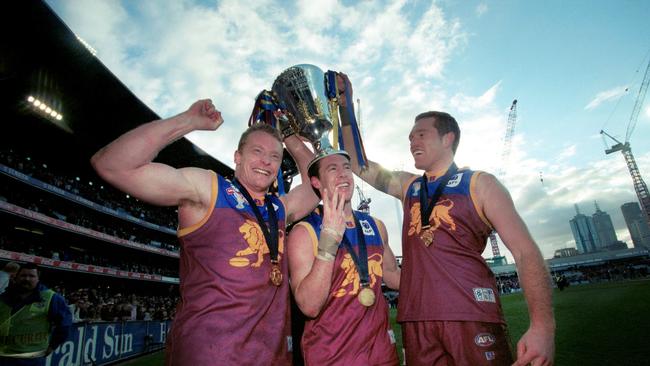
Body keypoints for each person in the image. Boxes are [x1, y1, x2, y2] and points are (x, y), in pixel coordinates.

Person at [338, 77, 555, 366]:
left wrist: (543, 326)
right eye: (410, 137)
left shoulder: (480, 184)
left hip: (470, 312)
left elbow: (526, 251)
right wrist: (344, 107)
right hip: (417, 319)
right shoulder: (409, 187)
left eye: (421, 135)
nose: (412, 141)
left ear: (447, 138)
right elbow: (356, 162)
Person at [91, 99, 317, 365]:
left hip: (272, 357)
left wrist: (289, 135)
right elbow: (112, 165)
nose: (266, 161)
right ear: (237, 157)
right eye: (257, 151)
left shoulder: (277, 209)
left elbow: (316, 185)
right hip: (210, 355)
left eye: (275, 156)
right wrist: (187, 121)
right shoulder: (209, 189)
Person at [287, 150, 401, 365]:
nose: (343, 174)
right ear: (316, 182)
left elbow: (393, 275)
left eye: (347, 167)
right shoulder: (305, 232)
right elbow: (309, 306)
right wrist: (329, 237)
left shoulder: (375, 226)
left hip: (382, 353)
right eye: (333, 169)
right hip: (333, 355)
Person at [0, 263, 72, 366]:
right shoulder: (3, 297)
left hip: (31, 359)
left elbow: (64, 324)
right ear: (16, 277)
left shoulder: (52, 298)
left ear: (38, 278)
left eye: (31, 276)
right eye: (23, 275)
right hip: (3, 358)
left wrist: (52, 346)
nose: (27, 279)